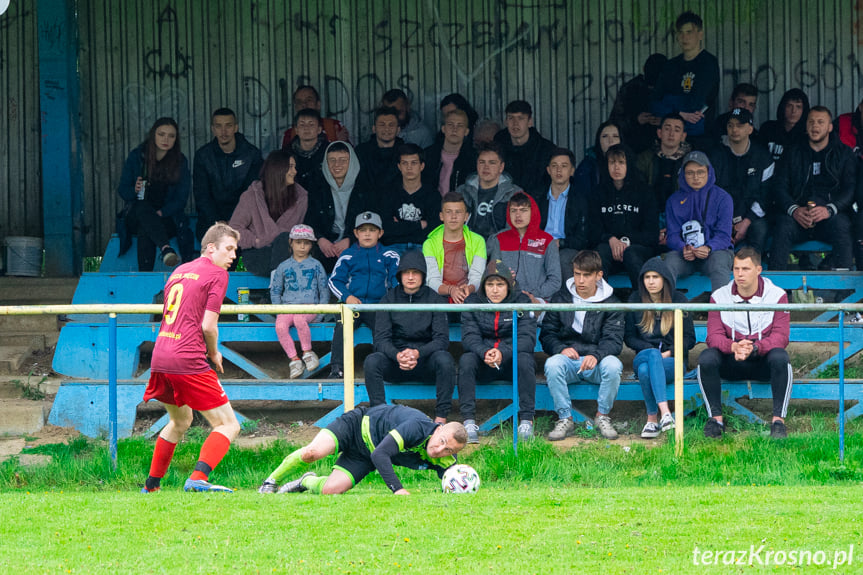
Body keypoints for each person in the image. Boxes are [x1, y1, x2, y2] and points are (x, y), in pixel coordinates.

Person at [140, 222, 241, 493]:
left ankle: (151, 486)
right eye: (228, 249)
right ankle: (198, 478)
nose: (233, 256)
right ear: (211, 248)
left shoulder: (180, 270)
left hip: (161, 355)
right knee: (229, 424)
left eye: (235, 250)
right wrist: (213, 352)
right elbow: (208, 325)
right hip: (187, 357)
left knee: (180, 421)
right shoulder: (217, 274)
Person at [257, 404, 466, 495]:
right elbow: (381, 454)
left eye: (448, 450)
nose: (440, 450)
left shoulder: (445, 458)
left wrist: (458, 489)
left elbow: (452, 479)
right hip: (356, 426)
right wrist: (398, 489)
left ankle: (304, 481)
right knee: (313, 453)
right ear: (438, 429)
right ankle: (270, 482)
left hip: (367, 455)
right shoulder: (416, 427)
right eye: (441, 441)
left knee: (331, 490)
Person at [697, 247, 792, 439]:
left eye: (746, 269)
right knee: (706, 358)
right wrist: (733, 347)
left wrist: (756, 348)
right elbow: (713, 336)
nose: (740, 274)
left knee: (781, 357)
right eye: (736, 268)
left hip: (761, 360)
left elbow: (781, 336)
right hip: (732, 360)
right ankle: (716, 420)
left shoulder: (777, 295)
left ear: (758, 270)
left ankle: (778, 422)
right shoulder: (719, 296)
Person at [540, 250, 624, 441]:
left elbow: (614, 340)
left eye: (586, 275)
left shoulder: (611, 302)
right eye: (577, 274)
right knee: (552, 364)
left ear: (598, 275)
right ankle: (565, 418)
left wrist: (596, 355)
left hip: (597, 362)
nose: (581, 280)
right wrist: (561, 348)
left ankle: (602, 416)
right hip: (569, 361)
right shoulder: (560, 298)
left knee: (614, 365)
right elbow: (547, 334)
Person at [363, 250, 455, 422]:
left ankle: (440, 419)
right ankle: (379, 417)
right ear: (400, 275)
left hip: (425, 362)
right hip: (396, 362)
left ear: (423, 275)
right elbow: (381, 340)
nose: (411, 277)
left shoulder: (435, 299)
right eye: (406, 272)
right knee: (372, 360)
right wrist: (398, 355)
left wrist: (417, 353)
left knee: (445, 359)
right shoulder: (388, 299)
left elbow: (442, 340)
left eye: (415, 273)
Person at [458, 262, 537, 442]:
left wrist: (503, 352)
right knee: (466, 360)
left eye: (500, 285)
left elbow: (527, 338)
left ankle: (526, 421)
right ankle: (468, 422)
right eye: (490, 284)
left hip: (510, 364)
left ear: (508, 286)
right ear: (483, 286)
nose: (495, 290)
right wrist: (485, 351)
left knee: (525, 359)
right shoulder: (472, 302)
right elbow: (469, 336)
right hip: (484, 362)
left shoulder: (522, 301)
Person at [770, 106, 856, 271]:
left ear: (830, 127)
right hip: (798, 218)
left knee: (842, 225)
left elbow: (850, 189)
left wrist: (830, 210)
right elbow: (779, 186)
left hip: (829, 218)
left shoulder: (844, 153)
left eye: (820, 122)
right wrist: (794, 210)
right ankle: (777, 291)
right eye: (811, 122)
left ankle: (844, 290)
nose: (815, 126)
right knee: (782, 227)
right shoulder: (792, 152)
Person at [624, 257, 695, 438]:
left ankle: (651, 420)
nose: (651, 281)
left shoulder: (678, 299)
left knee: (646, 370)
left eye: (655, 277)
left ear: (665, 279)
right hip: (644, 354)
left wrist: (670, 352)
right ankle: (666, 413)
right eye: (647, 277)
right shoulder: (635, 299)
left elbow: (689, 338)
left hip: (673, 359)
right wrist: (652, 350)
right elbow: (630, 338)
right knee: (650, 358)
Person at [327, 212, 400, 378]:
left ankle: (383, 369)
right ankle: (337, 369)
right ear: (356, 233)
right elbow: (334, 281)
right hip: (353, 305)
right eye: (363, 230)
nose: (367, 233)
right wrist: (347, 297)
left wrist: (388, 302)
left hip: (378, 305)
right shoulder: (348, 255)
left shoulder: (389, 255)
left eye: (372, 230)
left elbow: (397, 281)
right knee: (342, 325)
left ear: (380, 233)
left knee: (383, 331)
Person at [117, 117, 194, 271]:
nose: (166, 139)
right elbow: (122, 190)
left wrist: (162, 212)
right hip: (136, 215)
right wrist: (135, 189)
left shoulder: (180, 161)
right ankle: (166, 249)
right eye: (161, 134)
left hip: (167, 217)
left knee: (146, 228)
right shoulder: (137, 157)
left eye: (171, 136)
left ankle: (145, 280)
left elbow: (181, 199)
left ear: (176, 139)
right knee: (143, 209)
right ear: (153, 135)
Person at [229, 150, 308, 277]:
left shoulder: (301, 197)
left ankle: (273, 291)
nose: (295, 172)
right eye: (291, 167)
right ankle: (277, 290)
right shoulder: (251, 196)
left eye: (295, 167)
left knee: (284, 240)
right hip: (258, 254)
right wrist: (256, 240)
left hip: (288, 254)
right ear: (278, 169)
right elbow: (234, 229)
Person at [663, 151, 734, 292]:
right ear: (683, 174)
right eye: (690, 173)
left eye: (700, 172)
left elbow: (724, 236)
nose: (696, 177)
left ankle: (721, 312)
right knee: (668, 263)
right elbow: (672, 235)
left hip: (715, 252)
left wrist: (708, 248)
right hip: (685, 254)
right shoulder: (673, 200)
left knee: (719, 263)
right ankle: (664, 311)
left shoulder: (723, 198)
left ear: (709, 172)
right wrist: (683, 247)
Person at [709, 108, 774, 255]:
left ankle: (751, 271)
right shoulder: (715, 155)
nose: (734, 129)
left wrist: (745, 222)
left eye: (740, 125)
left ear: (750, 129)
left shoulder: (763, 157)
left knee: (760, 229)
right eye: (730, 125)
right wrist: (726, 222)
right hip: (720, 216)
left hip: (750, 217)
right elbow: (710, 193)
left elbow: (766, 195)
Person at [192, 107, 263, 241]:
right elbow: (202, 195)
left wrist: (235, 221)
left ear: (236, 127)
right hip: (211, 221)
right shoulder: (203, 156)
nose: (223, 131)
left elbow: (253, 192)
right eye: (218, 126)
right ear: (213, 129)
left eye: (228, 126)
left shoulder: (251, 154)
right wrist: (218, 222)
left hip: (244, 220)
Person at [594, 144, 658, 288]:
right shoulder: (598, 193)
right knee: (601, 251)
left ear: (629, 164)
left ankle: (643, 301)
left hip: (638, 251)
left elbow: (652, 235)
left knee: (631, 253)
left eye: (621, 162)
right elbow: (593, 230)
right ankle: (599, 302)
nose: (616, 167)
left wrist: (625, 241)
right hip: (609, 250)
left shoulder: (644, 192)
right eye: (612, 162)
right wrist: (610, 239)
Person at [270, 224, 329, 379]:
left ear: (311, 245)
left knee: (299, 318)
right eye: (298, 242)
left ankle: (308, 353)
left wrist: (321, 312)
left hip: (309, 306)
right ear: (291, 243)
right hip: (288, 306)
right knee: (280, 325)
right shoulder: (283, 266)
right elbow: (275, 290)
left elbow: (324, 290)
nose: (302, 246)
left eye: (307, 243)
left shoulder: (316, 265)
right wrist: (278, 310)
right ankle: (294, 359)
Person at [303, 141, 371, 272]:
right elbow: (310, 220)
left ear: (352, 163)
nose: (337, 165)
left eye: (343, 160)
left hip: (357, 244)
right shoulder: (318, 188)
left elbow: (371, 222)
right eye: (332, 160)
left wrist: (350, 240)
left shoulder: (366, 188)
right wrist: (321, 239)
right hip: (326, 247)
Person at [651, 11, 720, 137]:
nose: (684, 37)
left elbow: (695, 104)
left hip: (698, 135)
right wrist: (680, 113)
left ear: (700, 34)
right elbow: (654, 103)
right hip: (669, 137)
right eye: (680, 32)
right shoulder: (670, 66)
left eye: (689, 32)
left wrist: (668, 102)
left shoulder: (708, 63)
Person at [487, 191, 561, 305]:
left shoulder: (547, 240)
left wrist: (534, 295)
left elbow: (555, 280)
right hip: (506, 298)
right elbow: (493, 274)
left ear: (533, 212)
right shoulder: (499, 239)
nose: (518, 215)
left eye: (523, 210)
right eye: (513, 210)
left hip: (538, 299)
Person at [535, 148, 596, 280]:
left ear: (572, 171)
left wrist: (560, 243)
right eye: (554, 166)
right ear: (548, 170)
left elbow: (583, 238)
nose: (558, 170)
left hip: (566, 247)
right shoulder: (537, 197)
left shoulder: (581, 199)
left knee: (564, 262)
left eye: (564, 166)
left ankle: (564, 300)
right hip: (539, 246)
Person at [637, 113, 692, 247]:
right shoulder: (644, 159)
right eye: (667, 128)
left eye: (677, 130)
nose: (671, 133)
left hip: (681, 219)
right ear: (659, 132)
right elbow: (638, 193)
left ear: (683, 136)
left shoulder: (691, 161)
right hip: (650, 218)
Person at [423, 192, 487, 305]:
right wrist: (451, 290)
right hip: (439, 296)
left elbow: (477, 277)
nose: (453, 216)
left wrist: (469, 289)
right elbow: (431, 280)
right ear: (441, 216)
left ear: (466, 216)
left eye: (458, 212)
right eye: (448, 212)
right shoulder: (429, 243)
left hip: (469, 295)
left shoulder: (478, 241)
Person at [380, 143, 441, 255]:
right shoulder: (388, 193)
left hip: (423, 247)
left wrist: (400, 227)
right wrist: (419, 225)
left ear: (422, 166)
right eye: (404, 163)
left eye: (414, 163)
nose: (409, 167)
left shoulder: (433, 195)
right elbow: (386, 229)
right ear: (399, 166)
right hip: (393, 247)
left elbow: (434, 230)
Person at [456, 141, 523, 240]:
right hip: (468, 248)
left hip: (500, 250)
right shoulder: (462, 192)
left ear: (501, 167)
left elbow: (515, 231)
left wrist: (489, 248)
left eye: (492, 163)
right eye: (482, 162)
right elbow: (453, 227)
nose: (486, 167)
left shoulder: (514, 193)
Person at [609, 53, 668, 154]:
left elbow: (679, 120)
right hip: (634, 148)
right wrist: (636, 120)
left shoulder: (669, 90)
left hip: (662, 149)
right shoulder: (630, 89)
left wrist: (665, 122)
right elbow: (615, 122)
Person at [493, 100, 556, 192]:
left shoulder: (546, 150)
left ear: (530, 122)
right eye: (511, 118)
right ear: (506, 122)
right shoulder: (497, 147)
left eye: (521, 118)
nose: (515, 123)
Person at [423, 108, 477, 197]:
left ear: (466, 132)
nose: (454, 129)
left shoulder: (473, 159)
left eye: (460, 125)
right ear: (443, 129)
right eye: (450, 124)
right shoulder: (428, 155)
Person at [355, 106, 404, 196]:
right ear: (374, 129)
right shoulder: (361, 152)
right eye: (382, 125)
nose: (386, 129)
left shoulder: (406, 153)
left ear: (398, 130)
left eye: (391, 125)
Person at [281, 85, 350, 148]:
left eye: (309, 100)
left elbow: (349, 157)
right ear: (295, 107)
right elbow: (284, 160)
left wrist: (341, 145)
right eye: (299, 102)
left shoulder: (334, 127)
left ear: (318, 104)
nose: (304, 105)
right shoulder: (290, 134)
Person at [574, 120, 623, 204]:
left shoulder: (630, 164)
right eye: (605, 136)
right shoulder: (587, 166)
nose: (610, 141)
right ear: (598, 140)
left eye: (615, 136)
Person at [758, 88, 810, 161]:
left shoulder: (807, 134)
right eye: (789, 106)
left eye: (798, 107)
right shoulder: (768, 129)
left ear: (804, 110)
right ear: (783, 107)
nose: (793, 111)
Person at [286, 108, 328, 184]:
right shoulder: (286, 153)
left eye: (311, 124)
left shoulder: (329, 152)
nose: (306, 128)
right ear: (296, 130)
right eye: (302, 124)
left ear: (319, 129)